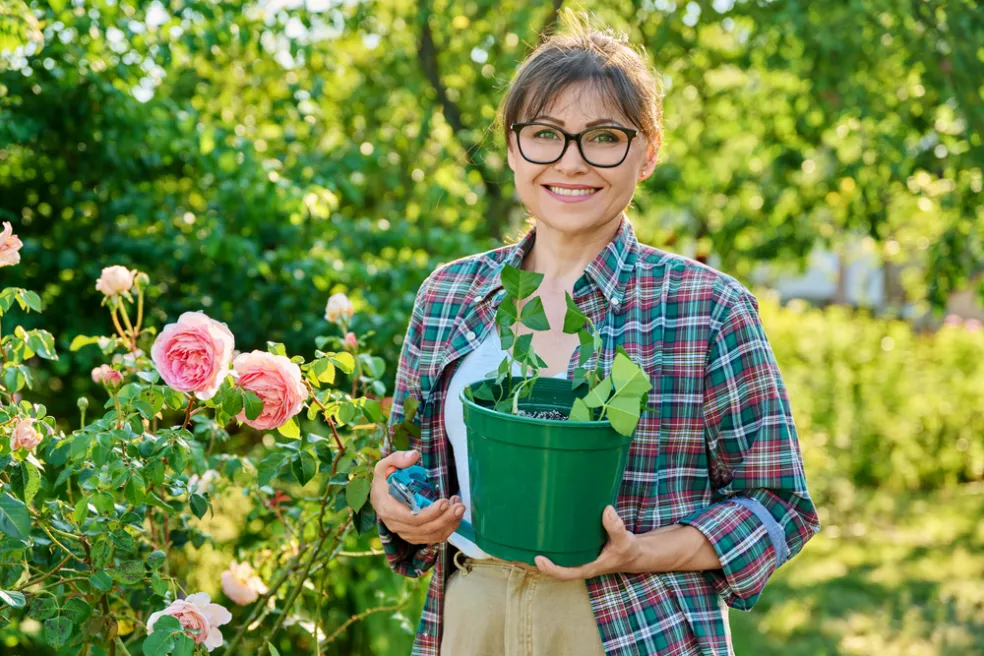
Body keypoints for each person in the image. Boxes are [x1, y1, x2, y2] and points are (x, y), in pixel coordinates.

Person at [370, 11, 820, 656]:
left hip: (634, 625)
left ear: (648, 151)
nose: (571, 162)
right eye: (545, 135)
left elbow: (778, 504)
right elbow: (410, 468)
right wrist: (396, 506)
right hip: (469, 615)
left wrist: (637, 553)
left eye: (604, 137)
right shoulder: (449, 295)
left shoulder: (706, 306)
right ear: (511, 148)